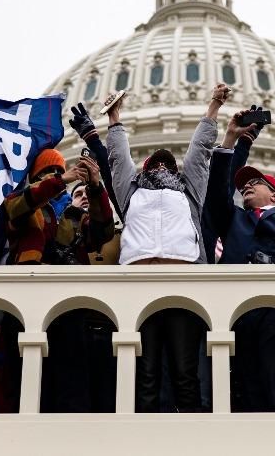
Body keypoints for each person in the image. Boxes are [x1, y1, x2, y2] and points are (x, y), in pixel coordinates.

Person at [105, 84, 228, 412]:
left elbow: (200, 153)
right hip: (138, 286)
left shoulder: (189, 192)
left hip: (183, 286)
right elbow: (117, 159)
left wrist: (213, 108)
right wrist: (114, 119)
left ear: (175, 171)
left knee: (185, 370)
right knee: (144, 371)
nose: (160, 168)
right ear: (144, 171)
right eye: (154, 165)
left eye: (167, 165)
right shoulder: (131, 194)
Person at [204, 106, 275, 411]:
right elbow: (217, 190)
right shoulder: (234, 218)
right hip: (237, 307)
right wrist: (231, 140)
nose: (246, 188)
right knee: (244, 384)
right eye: (243, 187)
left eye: (254, 184)